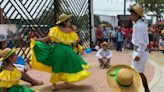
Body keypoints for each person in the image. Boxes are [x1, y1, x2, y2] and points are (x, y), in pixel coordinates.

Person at [31, 14, 90, 90]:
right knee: (64, 65)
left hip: (62, 50)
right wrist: (74, 31)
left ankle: (57, 83)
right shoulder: (64, 30)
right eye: (69, 22)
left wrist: (39, 40)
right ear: (64, 22)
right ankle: (55, 83)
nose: (70, 23)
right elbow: (76, 40)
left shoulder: (60, 30)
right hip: (63, 51)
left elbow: (48, 38)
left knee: (60, 66)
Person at [129, 4, 150, 92]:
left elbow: (142, 43)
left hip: (140, 51)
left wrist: (138, 54)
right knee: (136, 72)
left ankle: (146, 90)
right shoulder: (138, 24)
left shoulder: (139, 26)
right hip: (139, 51)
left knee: (138, 73)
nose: (131, 16)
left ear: (137, 15)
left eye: (132, 14)